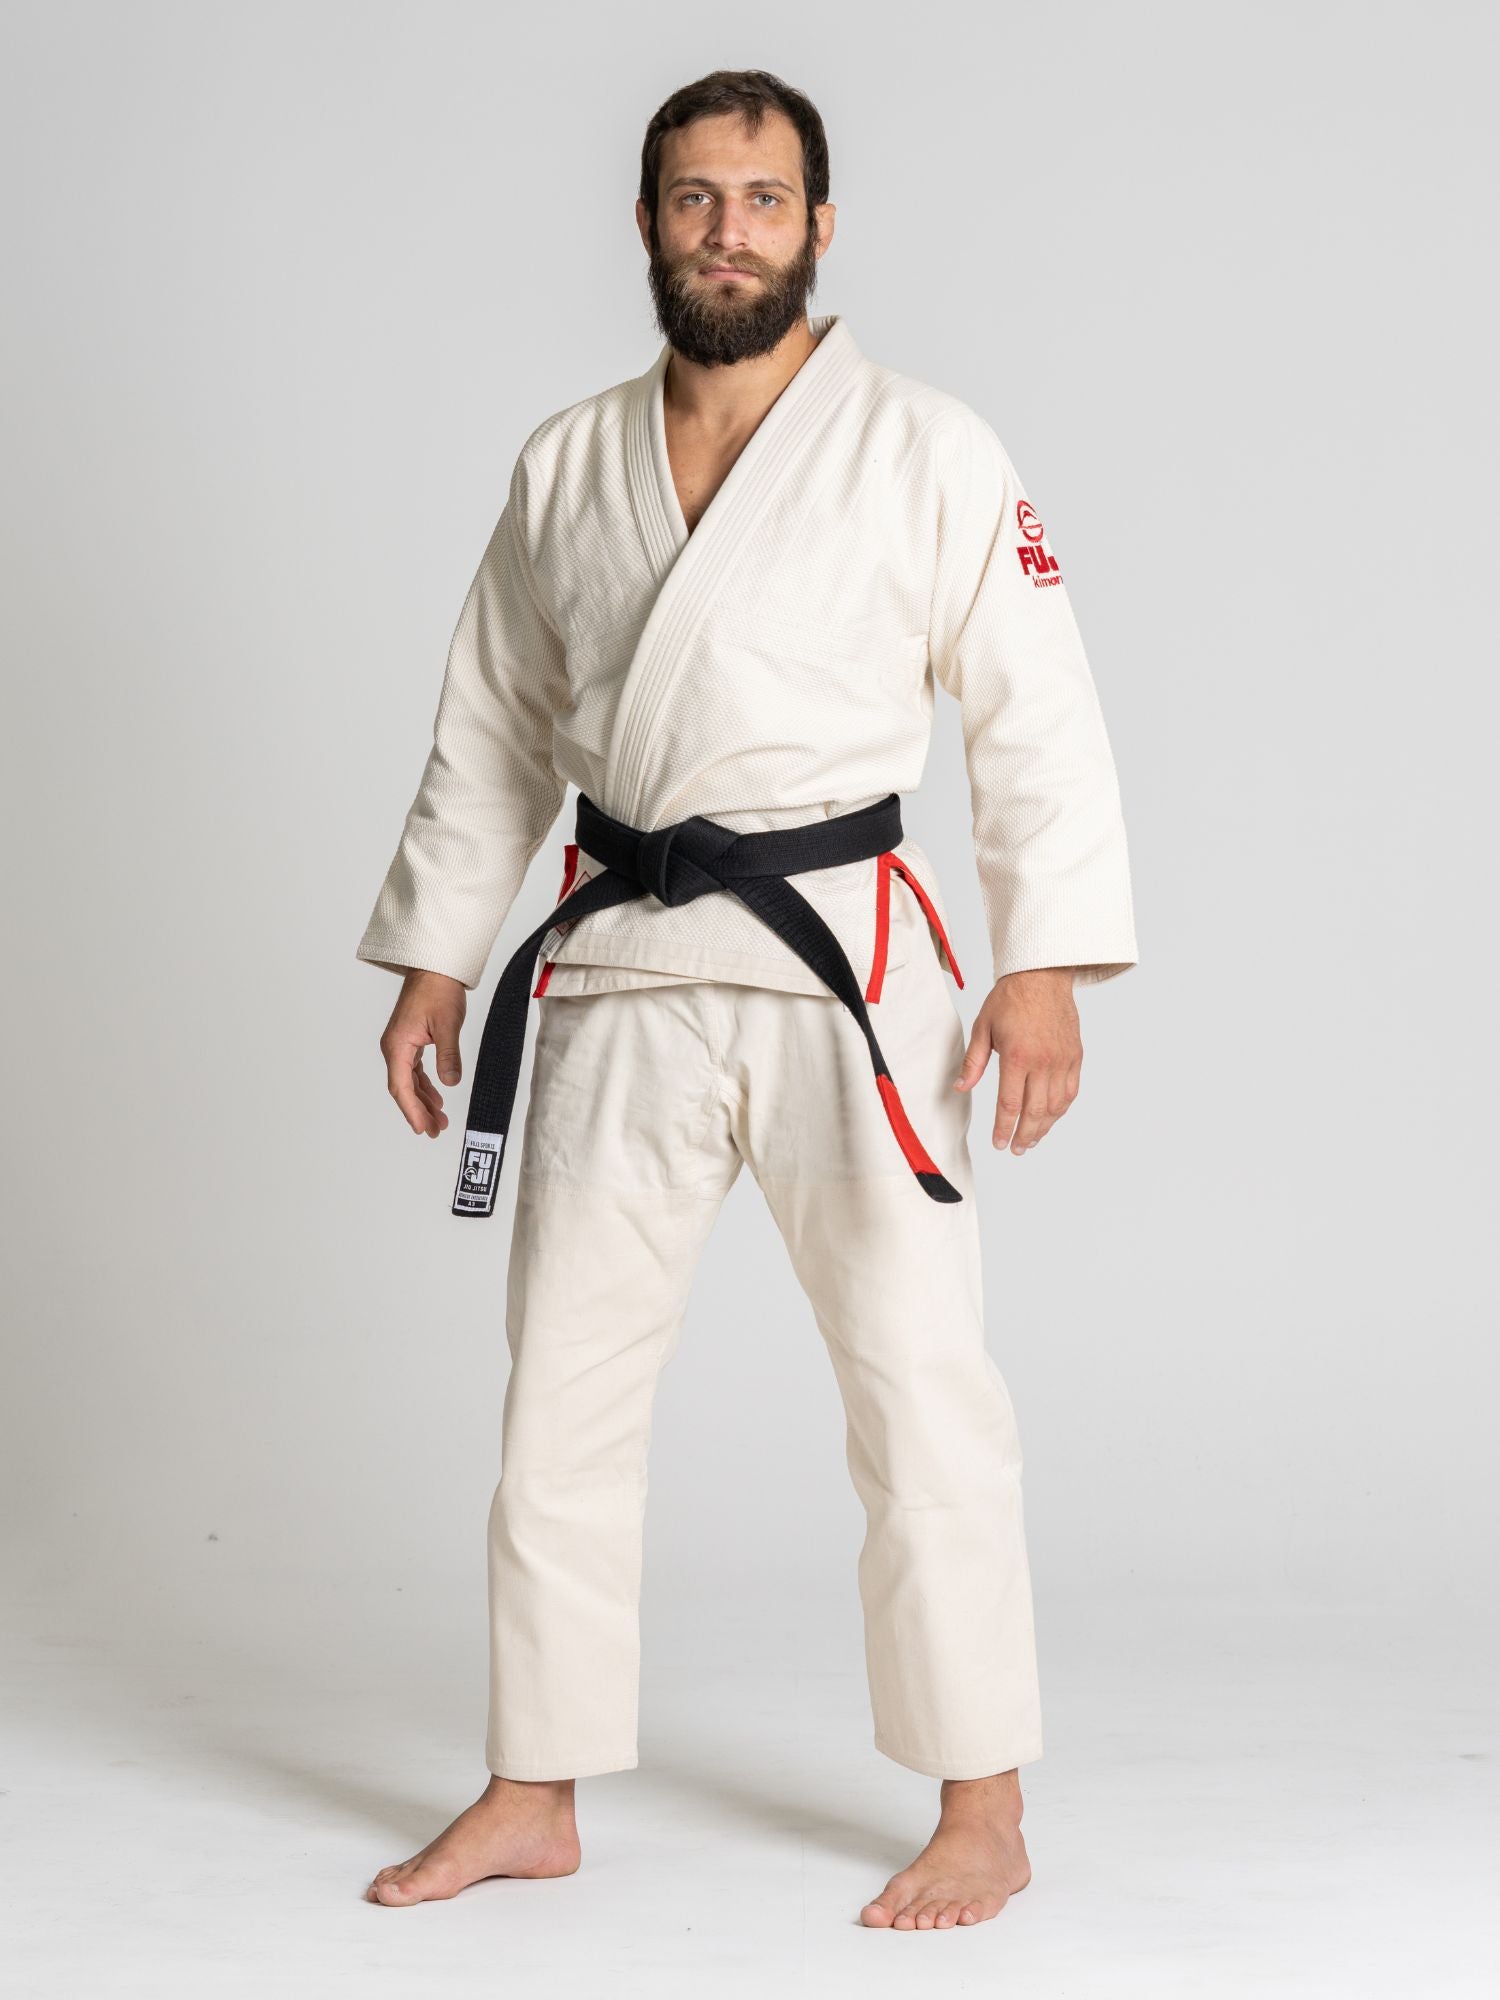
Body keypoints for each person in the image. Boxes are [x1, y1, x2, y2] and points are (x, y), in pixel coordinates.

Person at [357, 68, 1137, 1930]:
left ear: (821, 227)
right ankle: (533, 1786)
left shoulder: (928, 447)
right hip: (622, 959)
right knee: (561, 1395)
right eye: (696, 199)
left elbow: (1037, 706)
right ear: (645, 223)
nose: (729, 230)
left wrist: (1043, 966)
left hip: (841, 969)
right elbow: (488, 733)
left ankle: (984, 1803)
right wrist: (436, 956)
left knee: (919, 1384)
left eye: (764, 200)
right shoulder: (566, 461)